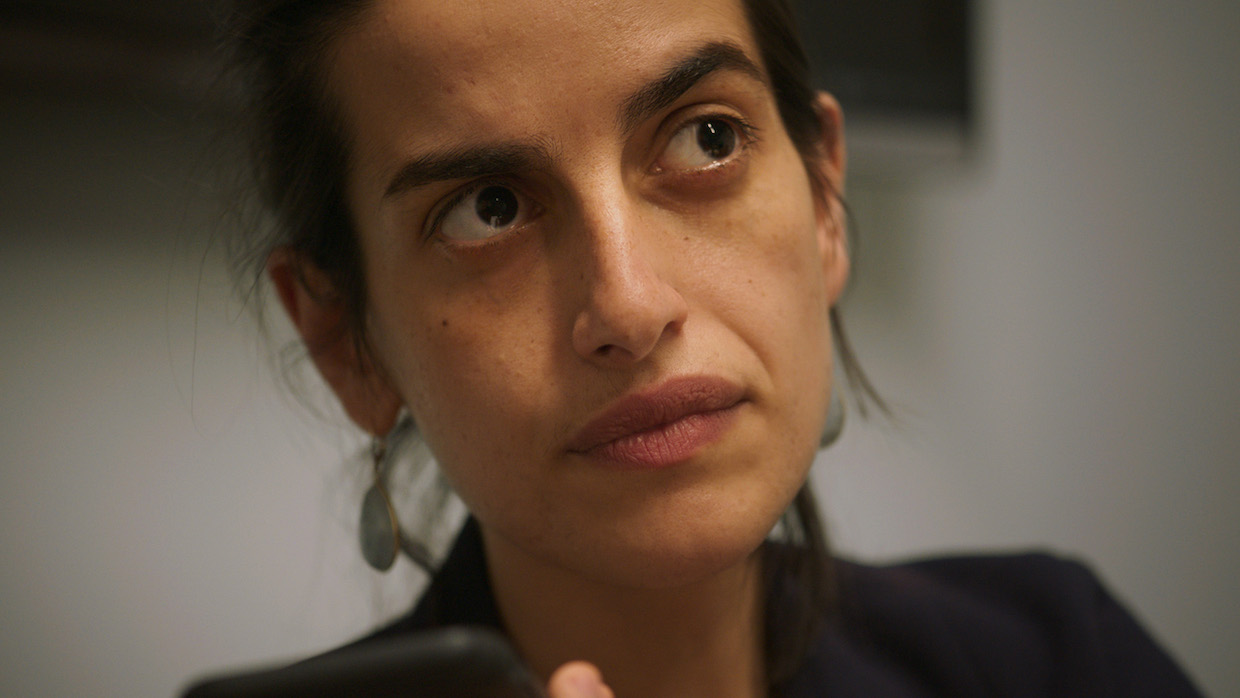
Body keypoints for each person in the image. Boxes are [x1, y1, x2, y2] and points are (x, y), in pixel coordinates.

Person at [224, 0, 1203, 696]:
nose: (629, 304)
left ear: (823, 200)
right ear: (344, 340)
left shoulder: (1057, 657)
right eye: (489, 209)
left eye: (704, 139)